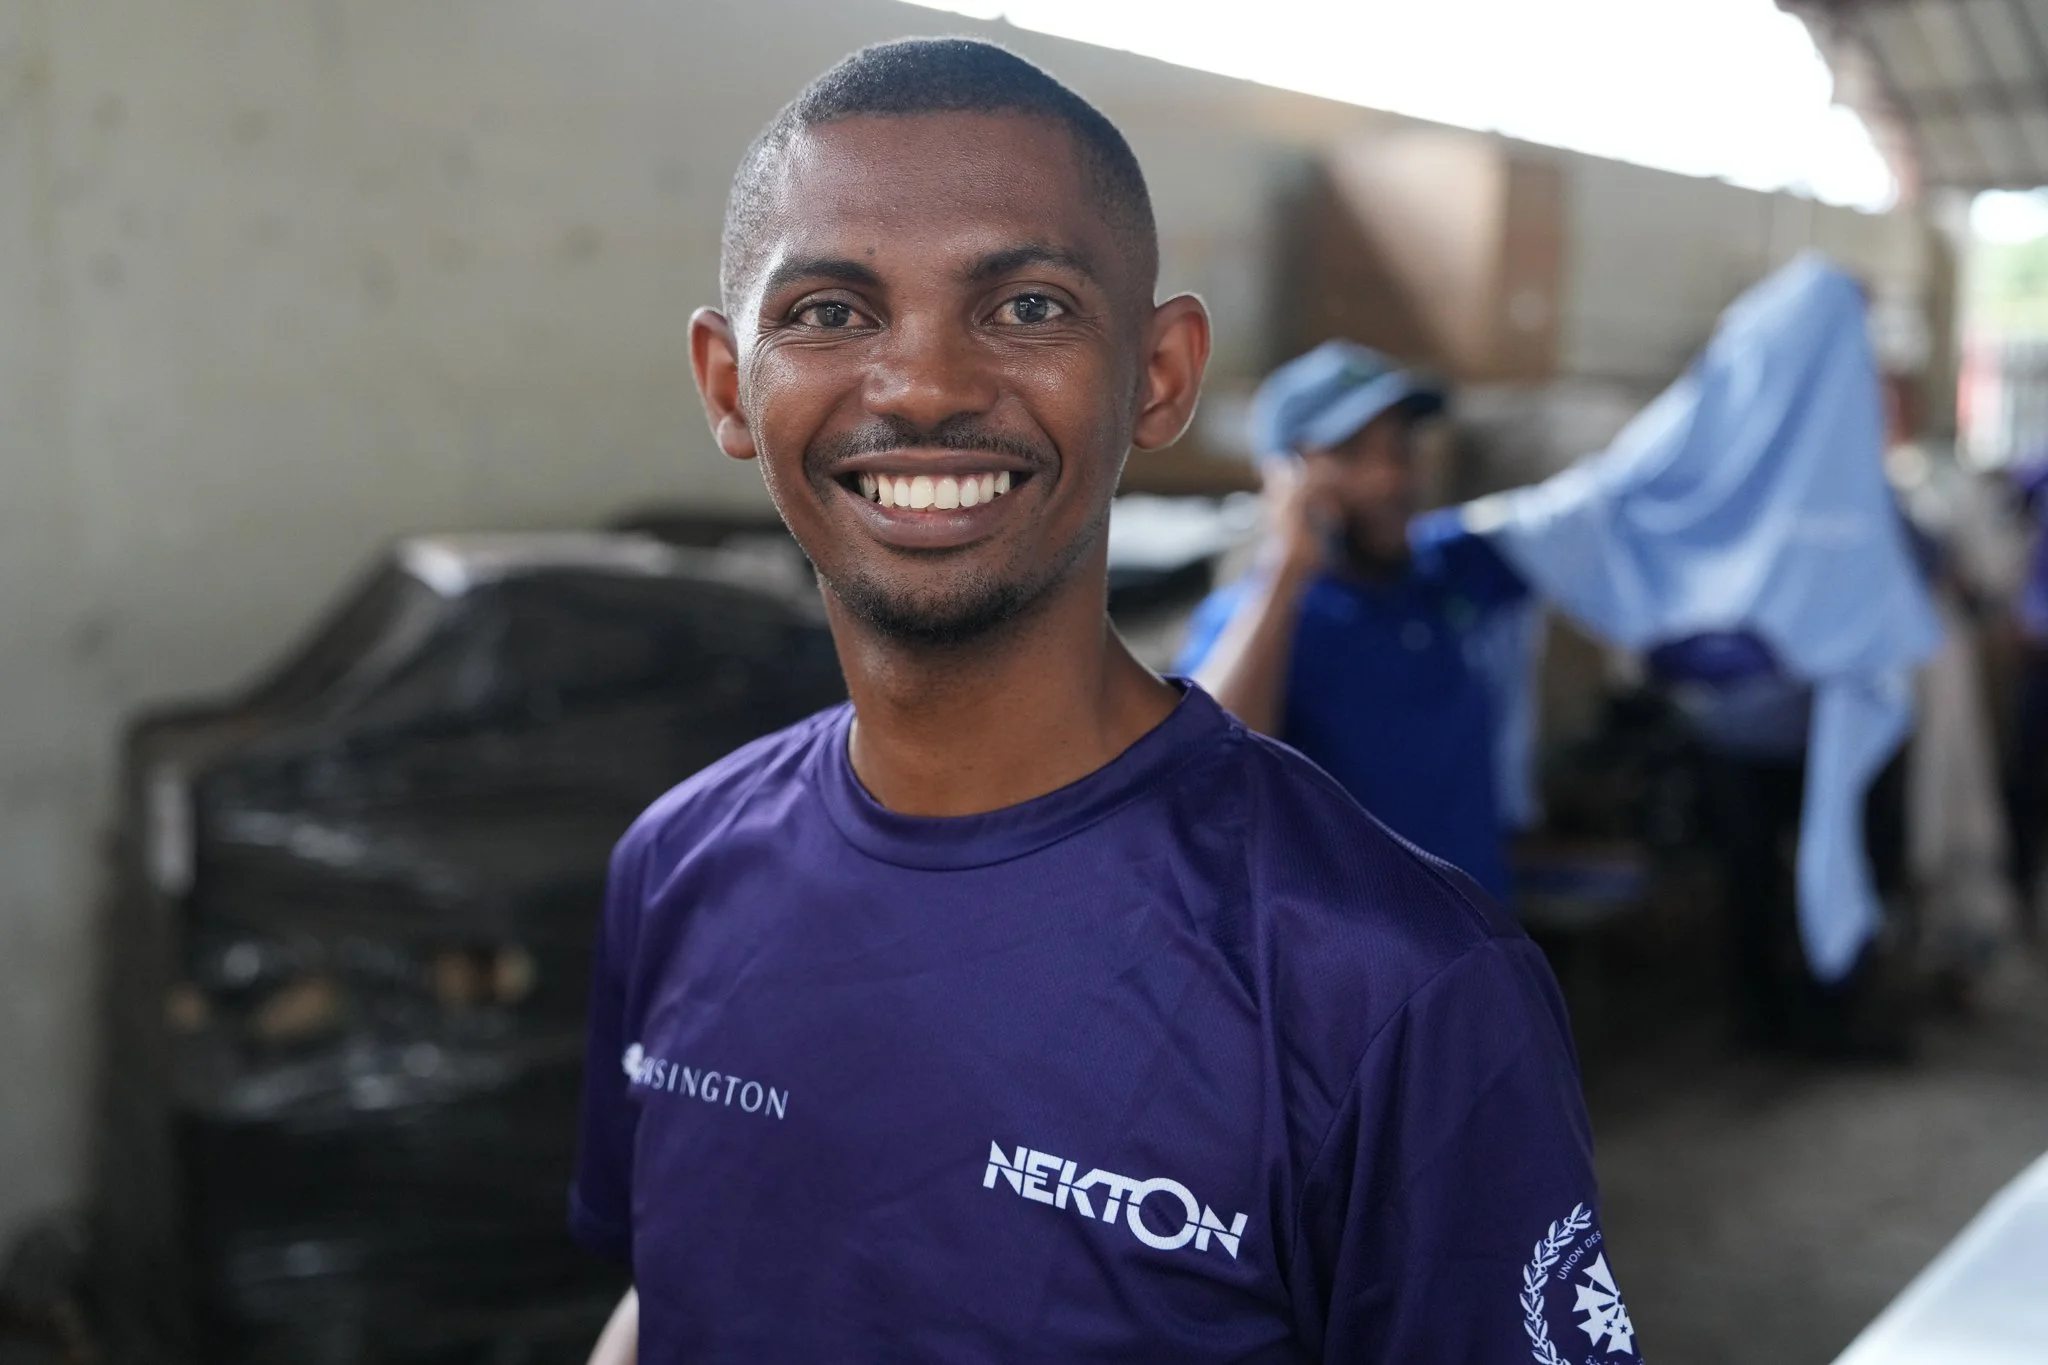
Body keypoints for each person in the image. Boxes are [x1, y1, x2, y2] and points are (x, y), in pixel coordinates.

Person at [572, 38, 1638, 1364]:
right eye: (832, 312)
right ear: (732, 384)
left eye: (1026, 307)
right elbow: (664, 1296)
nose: (925, 387)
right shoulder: (676, 867)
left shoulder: (1392, 984)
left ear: (1161, 373)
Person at [1177, 343, 1532, 897]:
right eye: (1354, 454)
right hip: (1353, 967)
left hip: (1477, 951)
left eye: (1401, 448)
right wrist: (1286, 569)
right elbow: (1204, 776)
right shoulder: (1261, 620)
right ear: (1287, 477)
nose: (1391, 477)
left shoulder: (1449, 572)